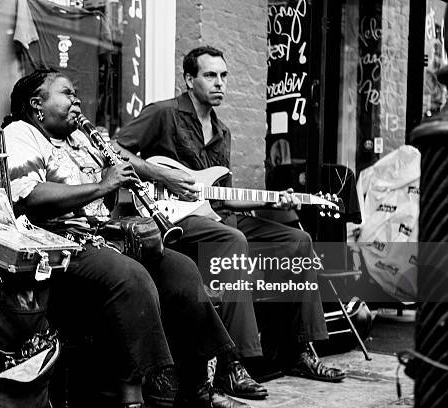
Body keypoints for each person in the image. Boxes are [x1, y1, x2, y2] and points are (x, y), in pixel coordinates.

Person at [2, 67, 250, 408]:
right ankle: (158, 385)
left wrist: (117, 179)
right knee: (130, 276)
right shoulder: (21, 133)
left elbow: (107, 194)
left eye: (76, 94)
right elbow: (30, 197)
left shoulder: (80, 139)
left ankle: (199, 387)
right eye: (66, 93)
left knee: (182, 271)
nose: (76, 100)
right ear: (37, 105)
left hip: (102, 237)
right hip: (59, 243)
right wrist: (104, 184)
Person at [113, 45, 346, 401]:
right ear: (189, 80)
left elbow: (220, 195)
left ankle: (299, 351)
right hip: (174, 221)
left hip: (216, 216)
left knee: (297, 241)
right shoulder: (163, 114)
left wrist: (276, 199)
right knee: (233, 239)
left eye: (223, 76)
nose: (219, 83)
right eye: (210, 75)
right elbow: (114, 149)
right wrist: (160, 173)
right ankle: (230, 364)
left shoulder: (223, 131)